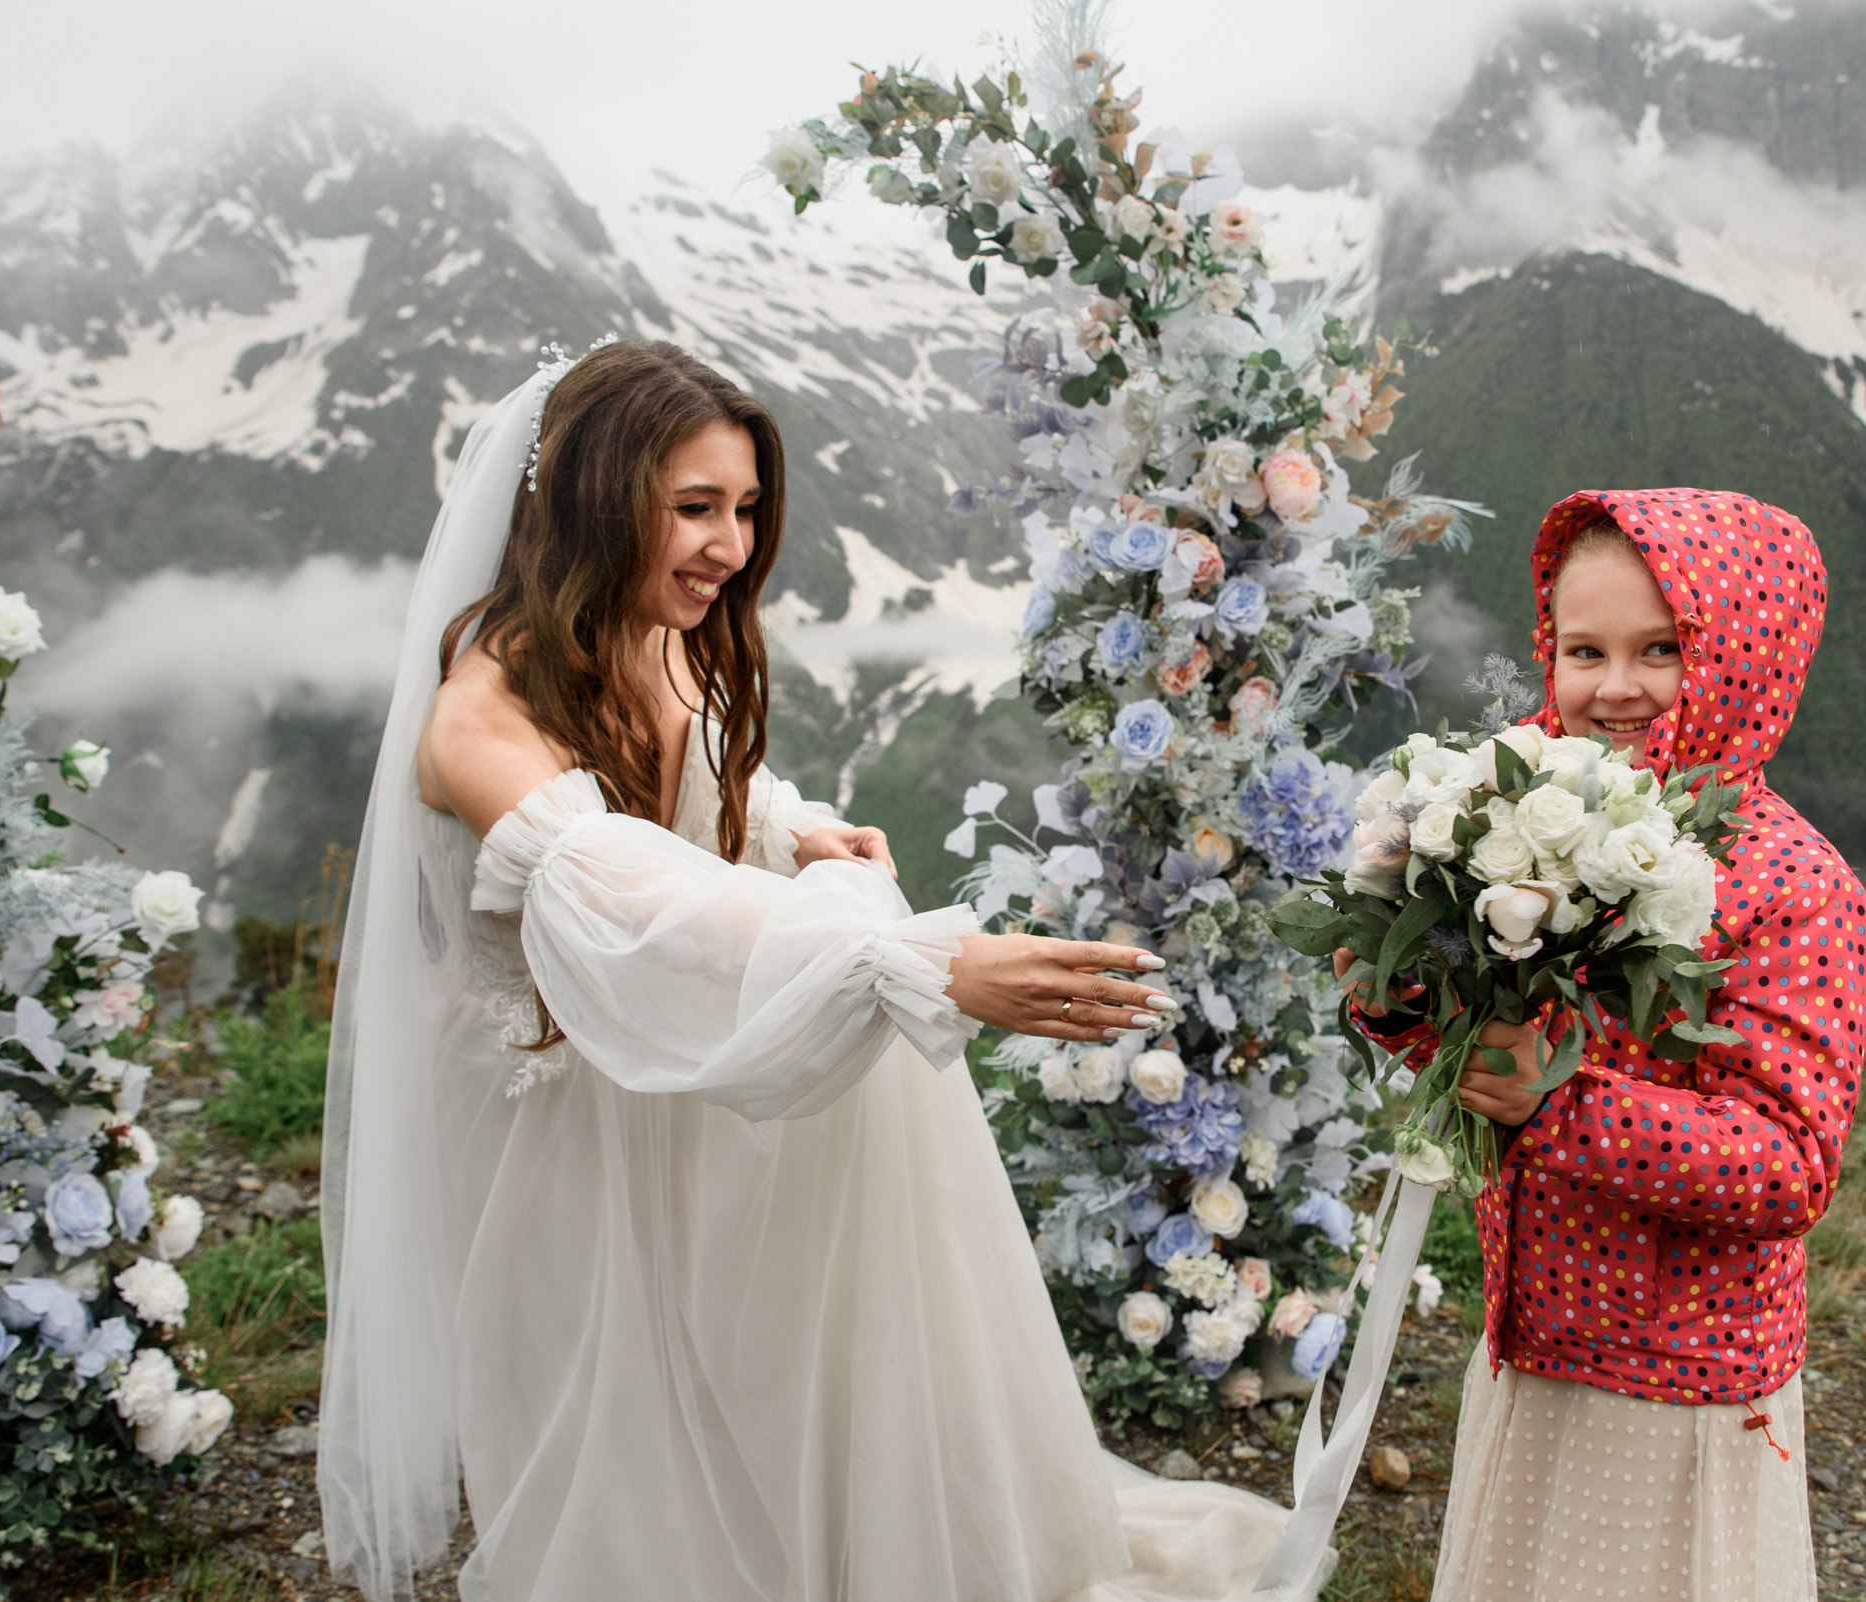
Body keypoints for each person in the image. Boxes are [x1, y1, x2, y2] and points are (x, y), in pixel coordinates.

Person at [318, 340, 1293, 1601]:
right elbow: (625, 888)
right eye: (694, 507)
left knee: (756, 1371)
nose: (730, 547)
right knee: (631, 1430)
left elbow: (710, 788)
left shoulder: (654, 633)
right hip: (566, 1122)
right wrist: (919, 960)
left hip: (689, 1075)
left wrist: (792, 836)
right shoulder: (479, 716)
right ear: (595, 498)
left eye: (744, 509)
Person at [1353, 490, 1866, 1602]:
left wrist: (1560, 1105)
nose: (1614, 686)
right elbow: (1495, 1047)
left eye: (1663, 650)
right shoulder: (1536, 820)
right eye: (1585, 650)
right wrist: (1400, 997)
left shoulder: (1796, 889)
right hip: (1533, 1335)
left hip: (1677, 1384)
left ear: (1745, 658)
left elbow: (1789, 1165)